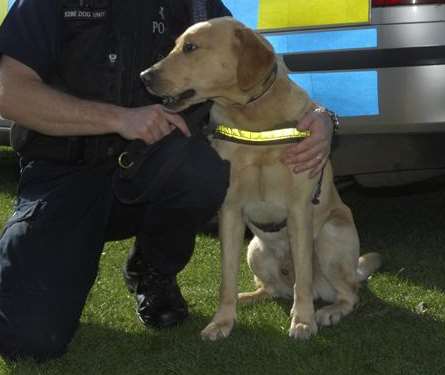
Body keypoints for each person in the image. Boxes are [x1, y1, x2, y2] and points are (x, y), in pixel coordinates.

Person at [0, 0, 335, 362]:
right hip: (64, 174)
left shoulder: (196, 5)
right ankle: (60, 256)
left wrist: (322, 117)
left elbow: (257, 69)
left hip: (151, 169)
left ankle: (153, 268)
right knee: (29, 340)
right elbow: (8, 91)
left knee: (202, 171)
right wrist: (117, 119)